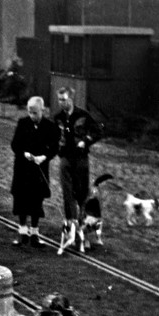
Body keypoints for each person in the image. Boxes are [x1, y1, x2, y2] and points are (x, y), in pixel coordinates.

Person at [10, 96, 60, 246]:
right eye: (30, 112)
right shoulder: (22, 123)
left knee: (36, 201)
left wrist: (44, 157)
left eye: (35, 113)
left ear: (42, 110)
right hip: (22, 168)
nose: (32, 116)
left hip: (39, 170)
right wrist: (24, 153)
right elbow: (15, 144)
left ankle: (35, 233)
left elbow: (54, 147)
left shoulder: (50, 127)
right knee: (21, 199)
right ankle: (22, 232)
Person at [52, 87, 103, 233]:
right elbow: (54, 136)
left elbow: (98, 131)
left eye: (64, 99)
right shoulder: (58, 118)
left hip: (81, 160)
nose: (61, 103)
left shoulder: (83, 115)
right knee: (67, 194)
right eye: (59, 99)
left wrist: (86, 141)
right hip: (65, 159)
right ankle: (70, 225)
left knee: (82, 194)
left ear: (71, 99)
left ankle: (84, 229)